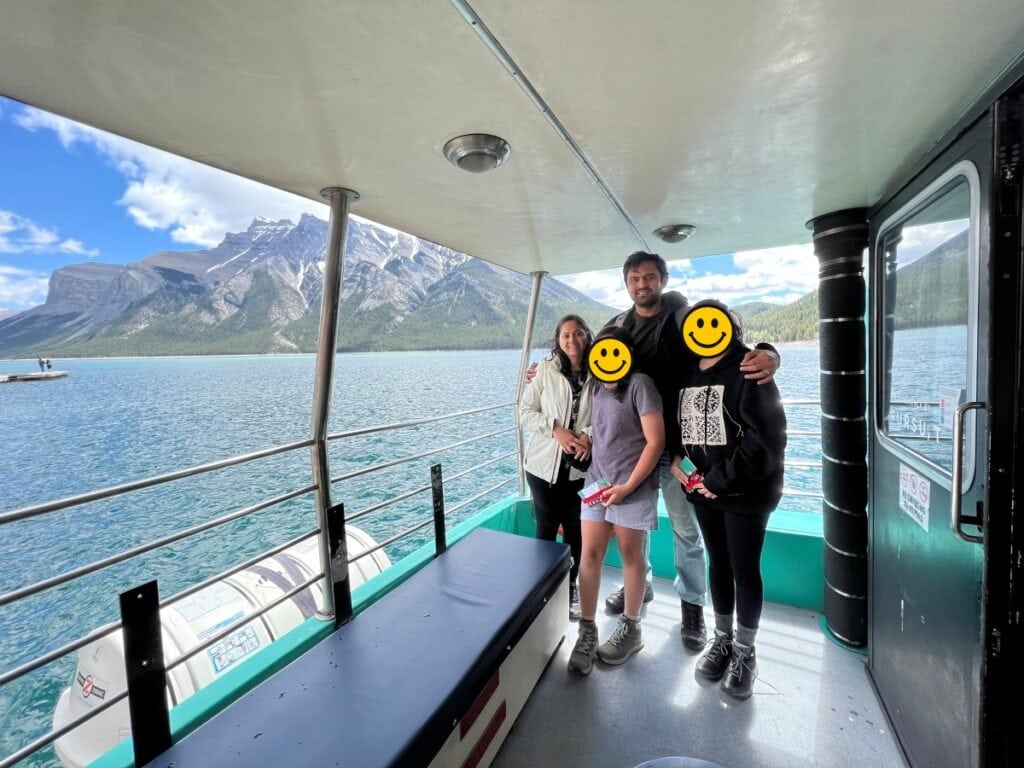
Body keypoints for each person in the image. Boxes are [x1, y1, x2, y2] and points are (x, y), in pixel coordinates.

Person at [669, 300, 787, 699]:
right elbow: (681, 428)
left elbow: (767, 439)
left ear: (730, 328)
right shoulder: (687, 373)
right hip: (704, 492)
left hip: (745, 493)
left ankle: (745, 650)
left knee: (744, 570)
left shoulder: (749, 368)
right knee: (718, 563)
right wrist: (678, 460)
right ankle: (722, 639)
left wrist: (718, 479)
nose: (704, 331)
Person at [568, 326, 664, 673]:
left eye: (615, 351)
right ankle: (587, 630)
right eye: (602, 351)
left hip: (632, 487)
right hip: (598, 482)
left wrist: (627, 487)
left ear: (628, 354)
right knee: (589, 554)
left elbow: (655, 441)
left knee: (630, 555)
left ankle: (631, 628)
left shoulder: (640, 385)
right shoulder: (595, 386)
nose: (607, 358)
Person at [520, 315, 594, 620]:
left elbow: (608, 413)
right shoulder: (545, 370)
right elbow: (525, 411)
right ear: (558, 339)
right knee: (546, 529)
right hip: (543, 468)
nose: (572, 340)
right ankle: (544, 588)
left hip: (580, 469)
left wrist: (589, 434)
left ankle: (571, 586)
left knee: (576, 531)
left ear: (587, 336)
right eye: (566, 335)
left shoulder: (601, 369)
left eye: (578, 333)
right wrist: (555, 430)